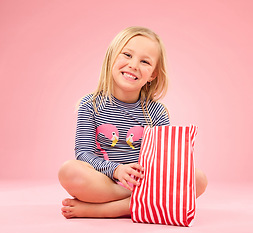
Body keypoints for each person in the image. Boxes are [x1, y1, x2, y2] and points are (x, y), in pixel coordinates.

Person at [58, 26, 208, 219]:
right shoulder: (90, 105)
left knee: (198, 179)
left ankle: (105, 210)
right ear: (112, 57)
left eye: (145, 61)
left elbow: (164, 162)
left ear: (153, 74)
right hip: (106, 182)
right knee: (69, 170)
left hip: (145, 180)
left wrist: (143, 180)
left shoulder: (157, 112)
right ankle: (144, 201)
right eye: (127, 55)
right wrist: (116, 170)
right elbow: (83, 154)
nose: (134, 65)